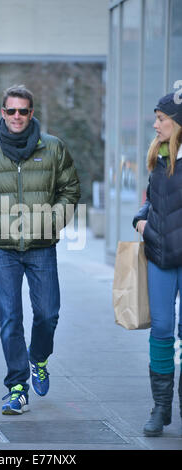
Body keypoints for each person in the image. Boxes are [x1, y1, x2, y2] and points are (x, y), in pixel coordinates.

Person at [0, 85, 80, 414]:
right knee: (10, 318)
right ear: (3, 113)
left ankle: (38, 358)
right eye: (11, 111)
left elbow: (70, 189)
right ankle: (17, 386)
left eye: (23, 111)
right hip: (3, 249)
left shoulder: (53, 148)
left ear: (32, 113)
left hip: (42, 246)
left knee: (47, 314)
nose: (17, 117)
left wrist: (52, 221)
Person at [133, 92, 182, 437]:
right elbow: (150, 201)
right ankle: (161, 408)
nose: (155, 124)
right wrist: (140, 221)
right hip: (161, 257)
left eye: (162, 118)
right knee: (161, 330)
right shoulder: (159, 157)